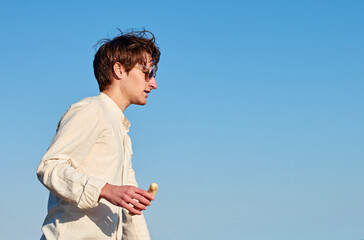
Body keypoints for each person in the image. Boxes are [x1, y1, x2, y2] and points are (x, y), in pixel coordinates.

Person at [36, 29, 161, 240]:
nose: (154, 83)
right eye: (147, 72)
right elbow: (50, 166)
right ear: (119, 70)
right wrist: (105, 189)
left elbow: (130, 211)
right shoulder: (91, 109)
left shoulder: (122, 131)